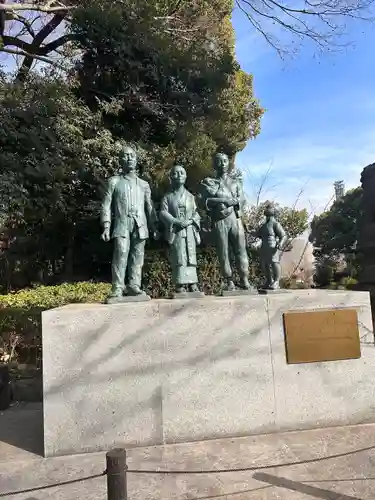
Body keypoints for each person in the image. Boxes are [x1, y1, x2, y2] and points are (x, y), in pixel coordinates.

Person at [100, 145, 157, 300]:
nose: (130, 158)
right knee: (121, 253)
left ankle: (134, 285)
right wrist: (106, 226)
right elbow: (106, 205)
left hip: (140, 224)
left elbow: (150, 207)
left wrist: (154, 226)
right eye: (125, 156)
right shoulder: (113, 182)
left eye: (132, 155)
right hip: (122, 223)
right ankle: (118, 287)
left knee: (138, 256)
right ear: (120, 160)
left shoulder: (144, 184)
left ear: (136, 159)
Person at [200, 153, 251, 292]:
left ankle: (244, 279)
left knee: (241, 250)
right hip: (219, 220)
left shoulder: (235, 183)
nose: (222, 164)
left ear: (229, 163)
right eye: (219, 161)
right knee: (223, 252)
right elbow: (205, 201)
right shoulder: (208, 182)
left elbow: (242, 200)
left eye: (225, 161)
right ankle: (229, 281)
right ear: (214, 165)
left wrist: (235, 202)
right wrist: (224, 201)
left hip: (235, 219)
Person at [159, 165, 201, 294]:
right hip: (176, 231)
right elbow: (163, 212)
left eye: (182, 173)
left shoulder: (190, 197)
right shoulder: (167, 197)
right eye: (175, 173)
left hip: (189, 230)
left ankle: (193, 283)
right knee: (179, 257)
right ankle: (180, 284)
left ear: (186, 176)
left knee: (191, 256)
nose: (179, 175)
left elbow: (196, 213)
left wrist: (190, 221)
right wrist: (175, 221)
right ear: (171, 177)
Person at [257, 203, 287, 290]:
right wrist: (248, 230)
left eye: (269, 208)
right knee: (264, 264)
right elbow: (257, 234)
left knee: (274, 263)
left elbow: (283, 235)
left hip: (272, 246)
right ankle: (269, 281)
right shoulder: (263, 225)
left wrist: (280, 243)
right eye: (266, 208)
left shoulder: (275, 224)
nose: (267, 209)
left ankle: (276, 281)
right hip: (264, 246)